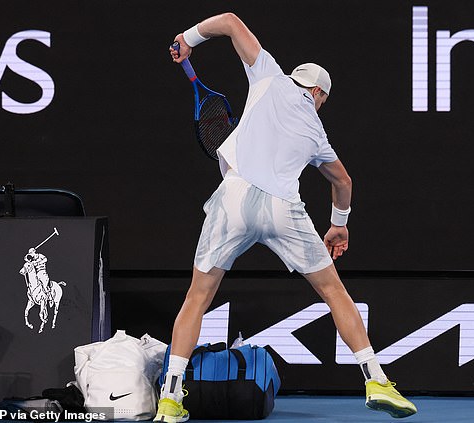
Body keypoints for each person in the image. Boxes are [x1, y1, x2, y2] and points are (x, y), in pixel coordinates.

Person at [156, 13, 417, 422]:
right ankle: (376, 379)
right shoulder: (316, 131)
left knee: (197, 297)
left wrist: (186, 40)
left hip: (233, 201)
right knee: (335, 293)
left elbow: (226, 20)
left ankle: (171, 397)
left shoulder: (268, 75)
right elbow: (343, 181)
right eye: (323, 100)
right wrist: (338, 224)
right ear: (317, 92)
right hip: (283, 209)